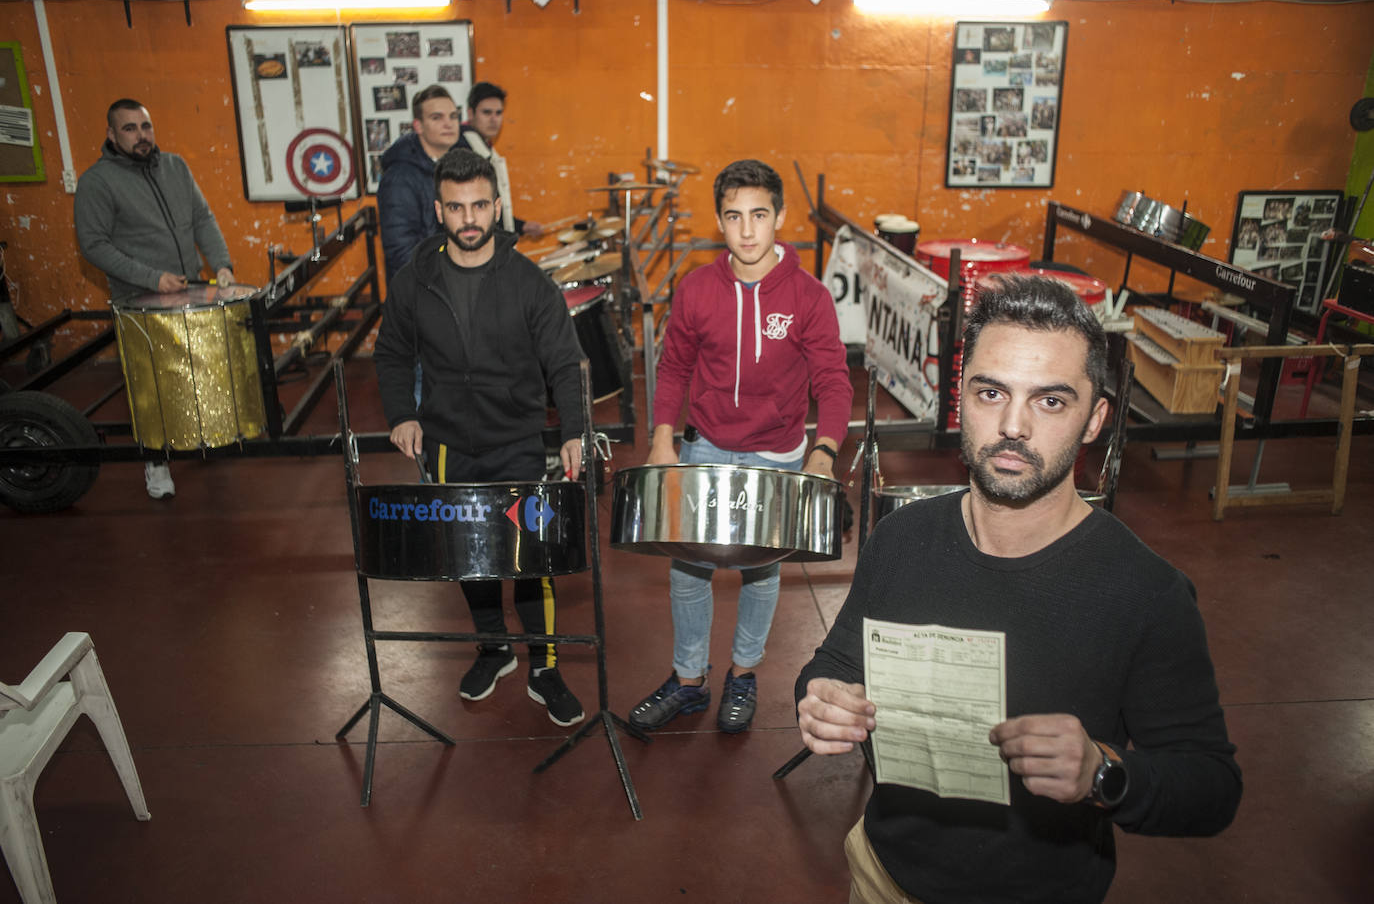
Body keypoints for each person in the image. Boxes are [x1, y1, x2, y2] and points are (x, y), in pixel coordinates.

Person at [795, 275, 1241, 904]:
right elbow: (836, 661)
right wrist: (816, 696)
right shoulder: (901, 539)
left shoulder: (1146, 593)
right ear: (962, 399)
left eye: (1051, 401)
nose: (1012, 425)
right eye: (991, 392)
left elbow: (1211, 787)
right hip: (881, 876)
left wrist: (1103, 772)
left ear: (1095, 419)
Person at [628, 159, 853, 735]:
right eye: (734, 217)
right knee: (688, 569)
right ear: (719, 222)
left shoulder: (808, 297)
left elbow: (832, 380)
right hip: (703, 449)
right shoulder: (697, 289)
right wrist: (660, 441)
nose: (748, 230)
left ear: (779, 217)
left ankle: (744, 673)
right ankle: (688, 681)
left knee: (761, 570)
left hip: (775, 452)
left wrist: (823, 449)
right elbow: (673, 368)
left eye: (759, 215)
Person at [373, 149, 585, 727]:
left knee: (530, 561)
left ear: (496, 206)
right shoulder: (416, 279)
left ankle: (544, 667)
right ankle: (493, 649)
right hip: (445, 443)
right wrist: (402, 415)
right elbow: (392, 352)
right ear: (439, 211)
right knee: (470, 558)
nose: (469, 218)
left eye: (479, 205)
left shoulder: (529, 283)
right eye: (456, 207)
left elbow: (565, 363)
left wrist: (574, 431)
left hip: (516, 441)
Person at [74, 98, 235, 500]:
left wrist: (222, 265)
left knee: (195, 374)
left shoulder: (176, 167)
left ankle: (200, 437)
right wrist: (151, 278)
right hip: (139, 302)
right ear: (111, 135)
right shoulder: (98, 182)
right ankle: (156, 462)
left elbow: (203, 217)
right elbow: (92, 244)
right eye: (129, 129)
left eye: (145, 126)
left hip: (189, 290)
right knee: (150, 390)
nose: (141, 136)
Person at [377, 84, 461, 286]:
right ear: (418, 126)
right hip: (419, 295)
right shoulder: (400, 178)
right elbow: (402, 254)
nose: (448, 124)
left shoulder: (450, 166)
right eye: (437, 117)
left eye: (453, 116)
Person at [455, 81, 543, 239]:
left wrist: (521, 226)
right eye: (487, 113)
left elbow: (492, 210)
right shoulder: (463, 151)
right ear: (470, 113)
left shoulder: (486, 148)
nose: (494, 119)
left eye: (498, 113)